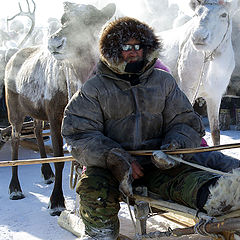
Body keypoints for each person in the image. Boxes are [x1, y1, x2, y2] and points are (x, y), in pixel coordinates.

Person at [61, 17, 240, 240]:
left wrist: (174, 146)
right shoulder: (95, 87)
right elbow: (79, 133)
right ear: (113, 49)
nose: (133, 51)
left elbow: (185, 121)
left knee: (193, 182)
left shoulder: (163, 81)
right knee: (93, 187)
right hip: (110, 167)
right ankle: (100, 234)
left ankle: (226, 199)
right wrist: (116, 158)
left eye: (138, 46)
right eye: (126, 46)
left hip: (158, 164)